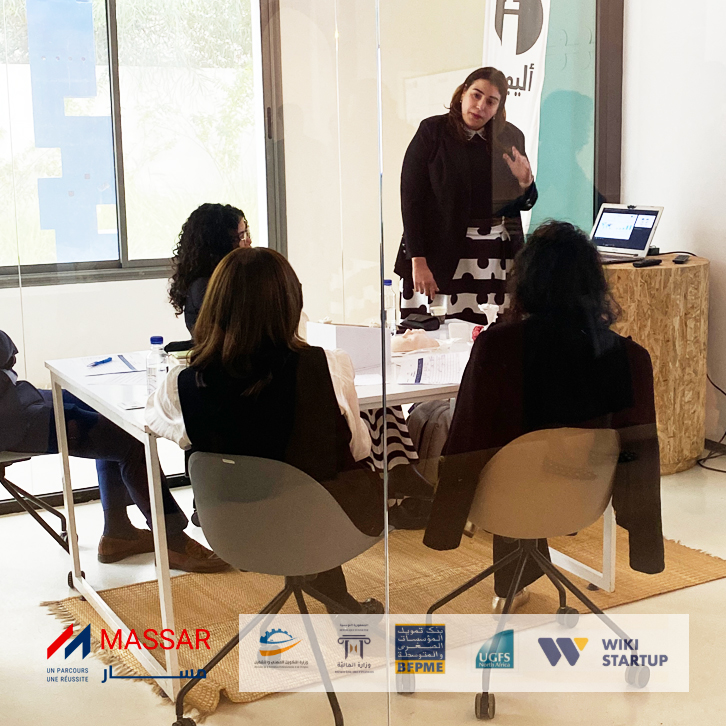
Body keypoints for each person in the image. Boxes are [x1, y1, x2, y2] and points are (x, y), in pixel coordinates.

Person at [423, 221, 665, 612]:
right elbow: (641, 456)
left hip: (503, 500)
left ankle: (514, 581)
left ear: (526, 281)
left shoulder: (497, 349)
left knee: (497, 443)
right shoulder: (629, 358)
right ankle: (519, 578)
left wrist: (446, 522)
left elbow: (467, 443)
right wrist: (646, 544)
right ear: (594, 284)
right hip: (582, 498)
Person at [146, 247, 385, 613]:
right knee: (318, 480)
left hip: (234, 529)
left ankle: (336, 599)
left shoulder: (182, 383)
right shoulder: (327, 366)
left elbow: (158, 423)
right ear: (291, 303)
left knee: (298, 484)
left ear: (214, 306)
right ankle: (339, 603)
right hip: (322, 525)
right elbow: (358, 449)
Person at [0, 330, 226, 573]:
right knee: (130, 440)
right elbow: (4, 350)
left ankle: (118, 533)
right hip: (12, 420)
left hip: (12, 400)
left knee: (106, 412)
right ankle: (173, 541)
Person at [394, 66, 538, 325]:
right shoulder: (433, 131)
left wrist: (525, 181)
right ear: (462, 93)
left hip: (495, 255)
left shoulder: (510, 136)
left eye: (491, 101)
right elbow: (411, 200)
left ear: (498, 108)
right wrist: (418, 260)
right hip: (439, 250)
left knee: (493, 332)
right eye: (476, 95)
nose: (480, 106)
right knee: (435, 334)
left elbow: (524, 204)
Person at [169, 203, 250, 336]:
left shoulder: (232, 277)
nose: (248, 242)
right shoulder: (204, 287)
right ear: (221, 244)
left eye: (246, 233)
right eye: (241, 237)